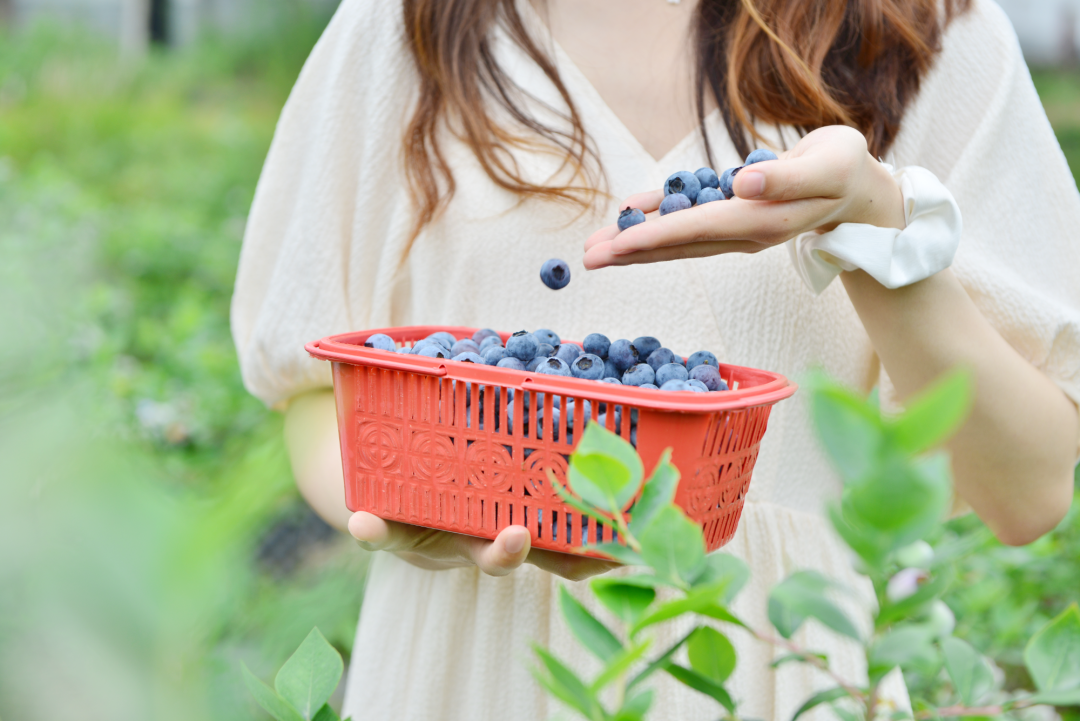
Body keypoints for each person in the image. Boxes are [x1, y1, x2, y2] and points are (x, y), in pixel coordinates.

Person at [231, 0, 1080, 718]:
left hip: (782, 664)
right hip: (469, 655)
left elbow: (1029, 488)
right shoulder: (411, 23)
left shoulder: (921, 30)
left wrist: (868, 222)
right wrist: (411, 507)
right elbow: (314, 385)